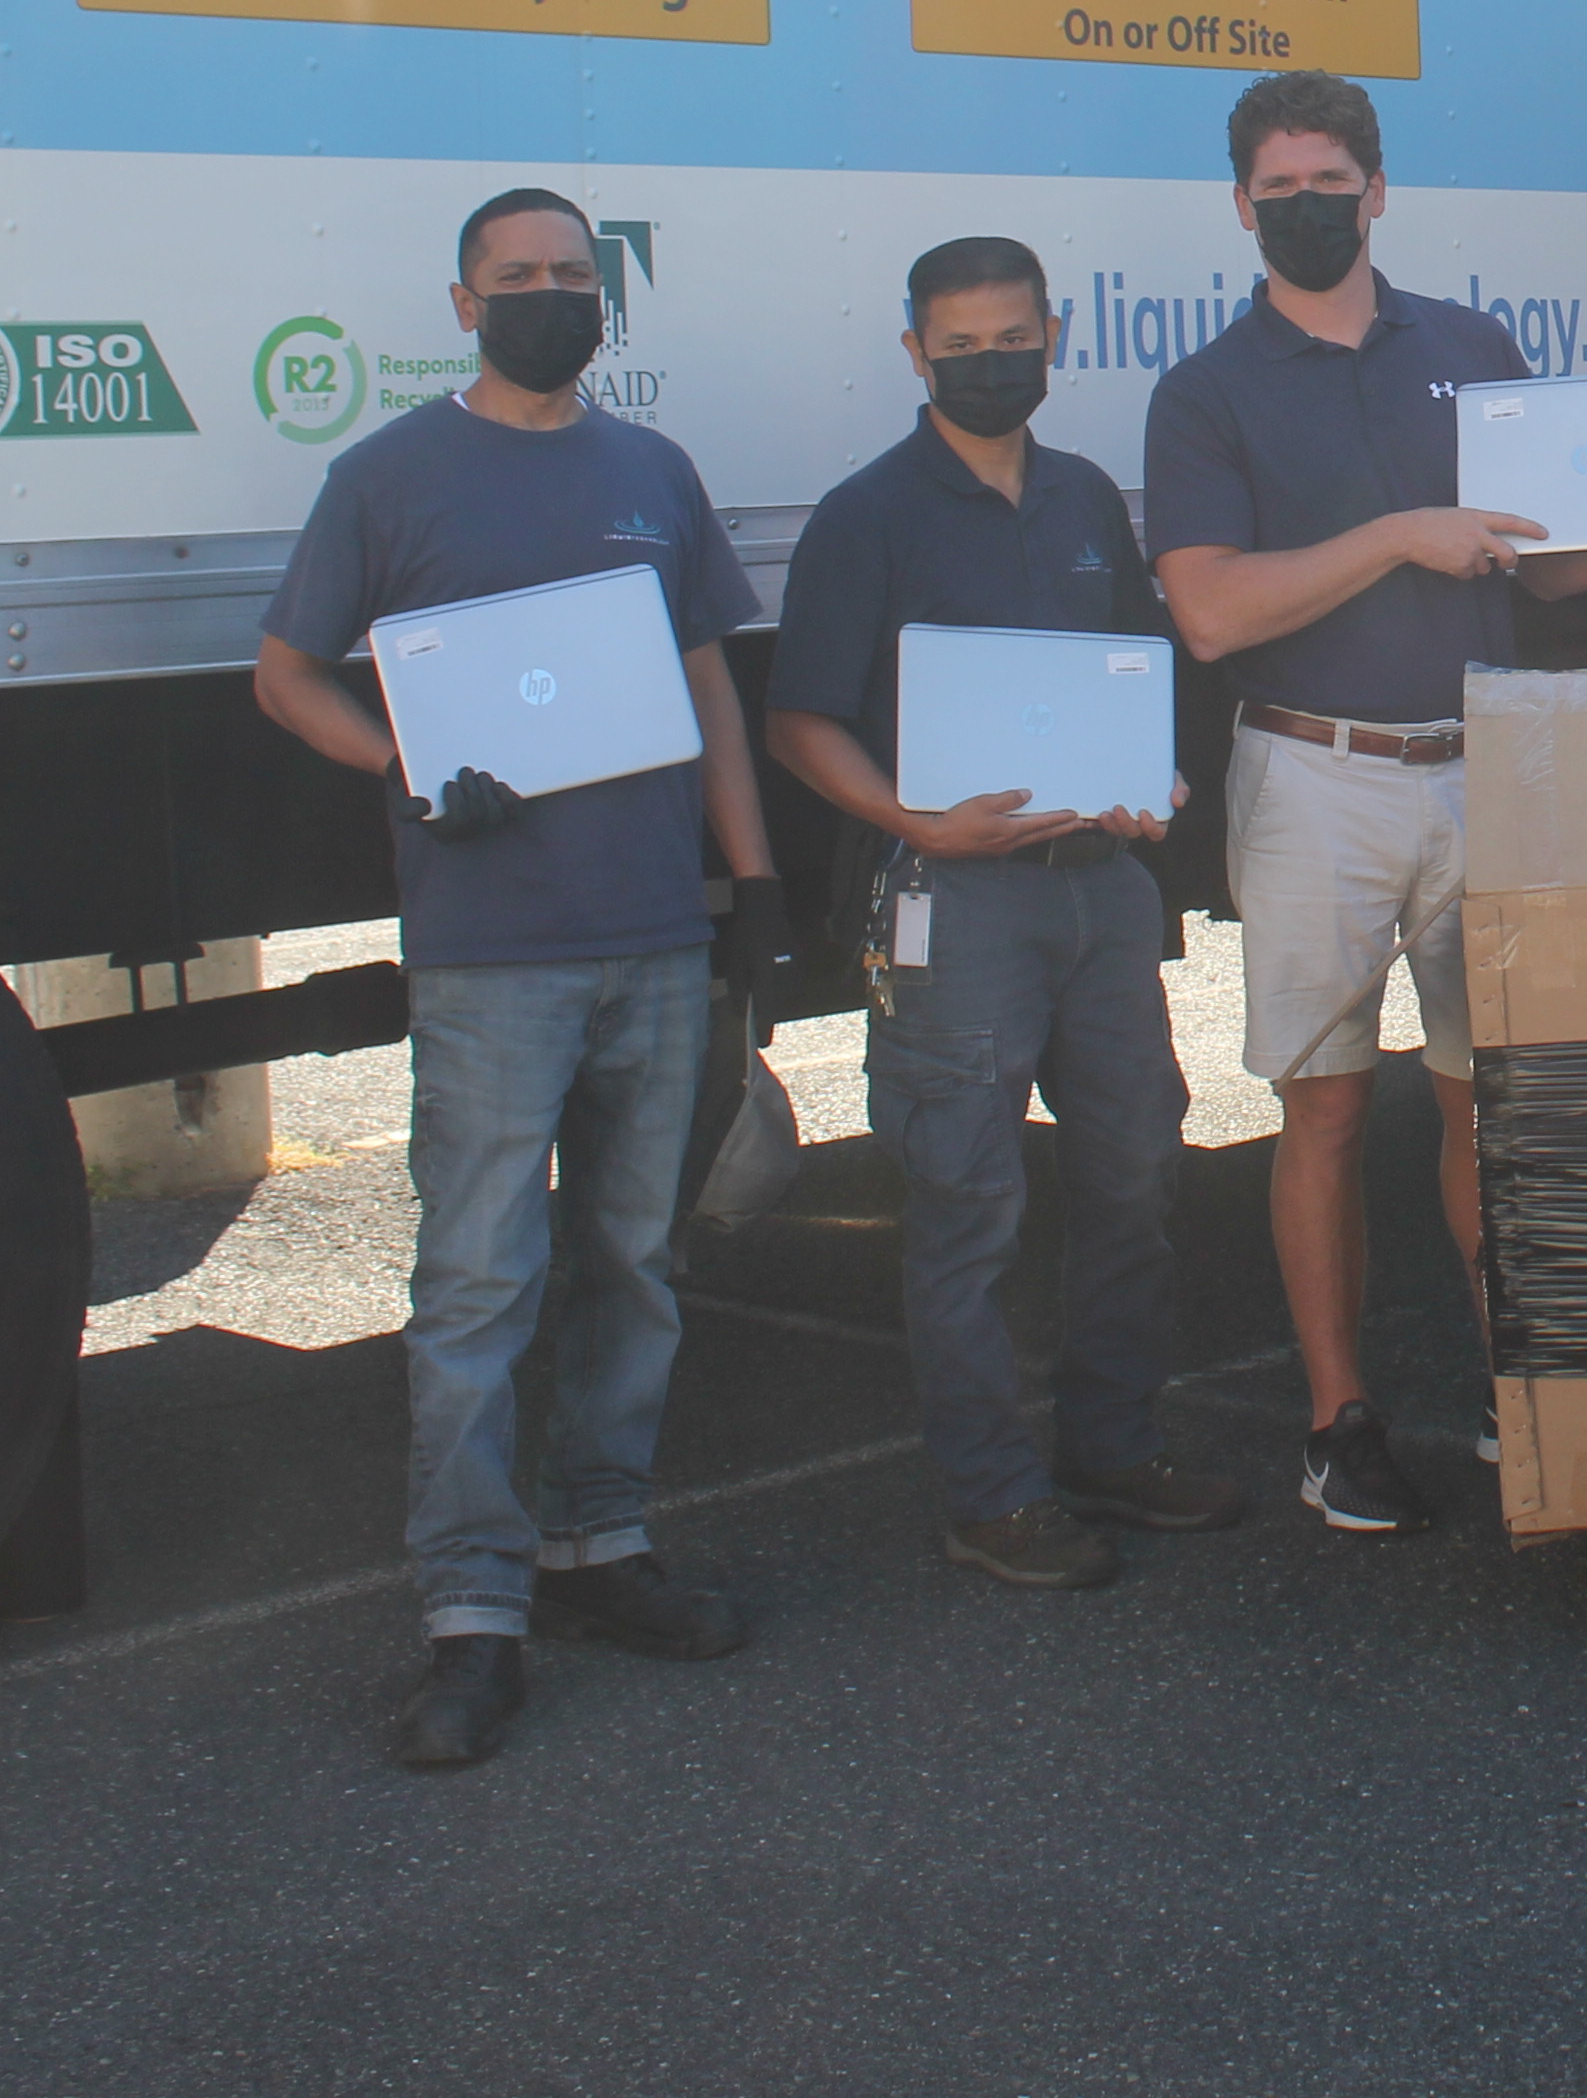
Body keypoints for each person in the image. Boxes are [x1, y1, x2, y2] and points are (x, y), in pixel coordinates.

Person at [1145, 73, 1587, 1533]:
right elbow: (1212, 613)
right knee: (1328, 1111)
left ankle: (1511, 1385)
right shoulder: (1205, 391)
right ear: (1239, 206)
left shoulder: (1473, 352)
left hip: (1479, 764)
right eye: (1276, 188)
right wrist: (1400, 536)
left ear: (1378, 189)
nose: (1304, 208)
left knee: (1493, 1104)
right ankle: (1337, 1418)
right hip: (1310, 777)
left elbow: (1549, 567)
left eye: (1327, 181)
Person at [253, 185, 778, 1772]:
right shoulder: (389, 478)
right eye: (518, 278)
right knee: (481, 1285)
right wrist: (406, 763)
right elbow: (284, 675)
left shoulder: (652, 475)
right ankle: (473, 1612)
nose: (551, 296)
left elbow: (710, 690)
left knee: (634, 1262)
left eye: (572, 275)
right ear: (465, 303)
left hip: (653, 941)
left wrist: (751, 881)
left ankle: (601, 1546)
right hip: (492, 958)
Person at [767, 234, 1244, 1596]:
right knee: (966, 1200)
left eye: (1011, 339)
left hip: (1099, 891)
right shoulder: (867, 517)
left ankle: (1112, 1449)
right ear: (914, 352)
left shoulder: (1091, 498)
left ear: (1057, 335)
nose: (989, 365)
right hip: (952, 903)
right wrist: (914, 822)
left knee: (1136, 1176)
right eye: (960, 346)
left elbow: (1138, 678)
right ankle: (990, 1495)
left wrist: (1153, 786)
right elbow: (799, 722)